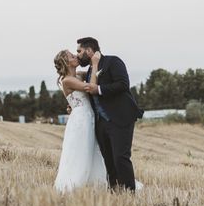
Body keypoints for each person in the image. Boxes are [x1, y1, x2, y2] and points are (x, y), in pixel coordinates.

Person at [76, 37, 144, 192]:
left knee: (121, 158)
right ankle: (114, 192)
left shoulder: (113, 62)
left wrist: (99, 89)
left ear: (89, 50)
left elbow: (123, 84)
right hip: (101, 123)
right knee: (109, 161)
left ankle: (129, 193)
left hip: (119, 118)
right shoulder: (89, 72)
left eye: (79, 51)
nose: (78, 55)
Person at [53, 49, 107, 192]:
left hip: (88, 117)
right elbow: (90, 87)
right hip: (81, 120)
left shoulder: (77, 75)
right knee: (81, 150)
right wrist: (95, 64)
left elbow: (90, 75)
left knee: (92, 150)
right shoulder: (67, 80)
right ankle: (75, 184)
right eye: (71, 56)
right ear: (66, 62)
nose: (75, 56)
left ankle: (95, 182)